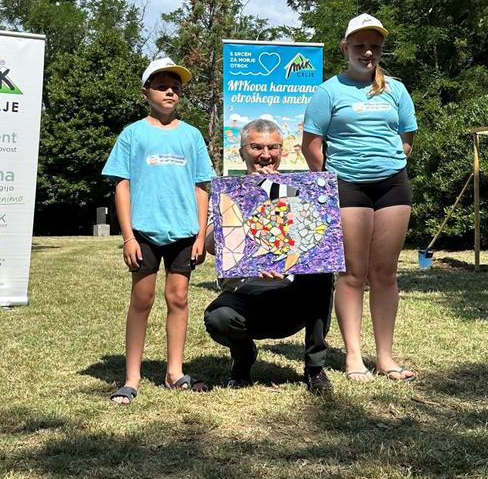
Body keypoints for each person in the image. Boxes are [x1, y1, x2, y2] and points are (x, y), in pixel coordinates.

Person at [302, 13, 417, 382]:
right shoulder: (328, 91)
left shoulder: (396, 90)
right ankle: (354, 357)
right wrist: (332, 180)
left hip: (393, 186)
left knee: (384, 273)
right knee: (353, 273)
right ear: (346, 48)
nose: (367, 52)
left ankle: (385, 357)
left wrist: (386, 162)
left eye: (374, 46)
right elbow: (312, 144)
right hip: (347, 187)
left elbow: (406, 138)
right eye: (360, 45)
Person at [103, 56, 215, 405]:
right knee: (142, 299)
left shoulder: (192, 135)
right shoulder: (132, 134)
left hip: (184, 233)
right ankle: (132, 377)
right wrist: (129, 237)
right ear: (145, 91)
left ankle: (174, 372)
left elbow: (202, 186)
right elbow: (122, 185)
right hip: (144, 232)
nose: (170, 92)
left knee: (178, 298)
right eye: (162, 86)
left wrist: (199, 235)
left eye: (176, 88)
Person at [204, 119, 334, 394]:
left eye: (272, 147)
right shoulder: (227, 191)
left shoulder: (303, 191)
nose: (265, 154)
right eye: (256, 147)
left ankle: (315, 369)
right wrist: (244, 201)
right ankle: (242, 362)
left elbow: (320, 245)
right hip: (243, 295)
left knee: (322, 274)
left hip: (289, 297)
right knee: (218, 318)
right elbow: (210, 245)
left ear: (282, 151)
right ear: (241, 152)